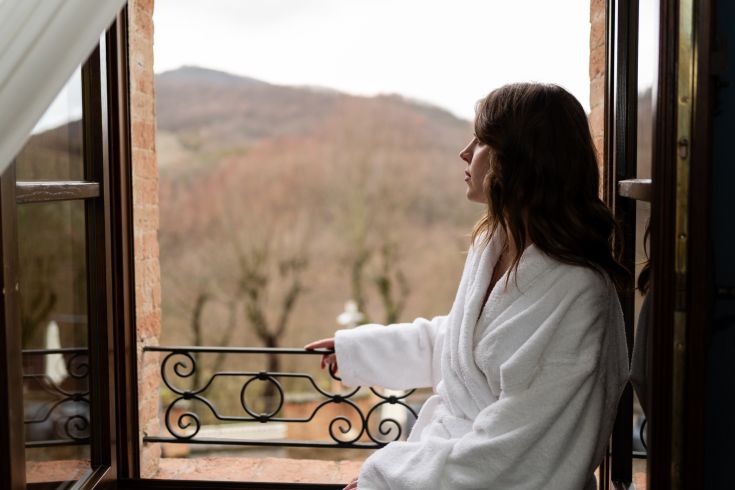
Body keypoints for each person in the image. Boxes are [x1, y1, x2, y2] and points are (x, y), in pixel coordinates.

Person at [306, 83, 630, 490]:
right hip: (447, 469)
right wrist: (359, 350)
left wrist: (393, 477)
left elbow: (521, 450)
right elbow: (464, 348)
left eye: (480, 141)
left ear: (518, 159)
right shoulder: (492, 245)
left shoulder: (578, 291)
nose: (464, 152)